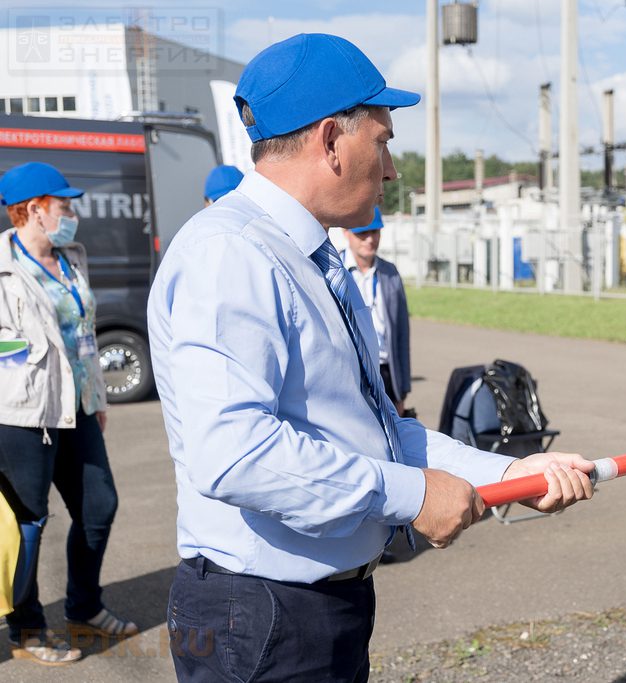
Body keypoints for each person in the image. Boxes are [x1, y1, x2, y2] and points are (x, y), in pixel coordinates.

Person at [147, 33, 595, 683]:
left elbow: (383, 435)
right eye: (382, 142)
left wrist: (513, 475)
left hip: (319, 605)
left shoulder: (314, 257)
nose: (390, 169)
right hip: (263, 611)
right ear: (331, 139)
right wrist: (411, 495)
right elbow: (236, 453)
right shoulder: (231, 255)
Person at [0, 162, 137, 666]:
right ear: (32, 210)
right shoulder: (2, 265)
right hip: (23, 415)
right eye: (63, 205)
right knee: (29, 523)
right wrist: (28, 357)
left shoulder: (71, 258)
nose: (71, 213)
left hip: (77, 410)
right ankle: (27, 626)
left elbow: (85, 336)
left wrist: (96, 398)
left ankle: (83, 606)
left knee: (99, 507)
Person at [332, 206, 412, 416]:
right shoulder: (331, 269)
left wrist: (402, 390)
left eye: (374, 232)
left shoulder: (390, 273)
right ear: (346, 232)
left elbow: (402, 334)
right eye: (362, 233)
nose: (370, 239)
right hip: (351, 370)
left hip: (385, 370)